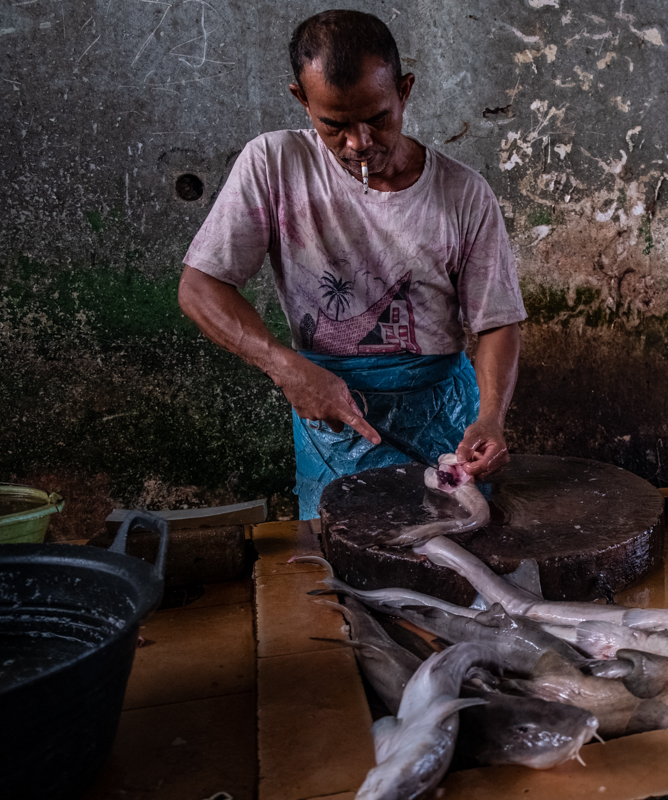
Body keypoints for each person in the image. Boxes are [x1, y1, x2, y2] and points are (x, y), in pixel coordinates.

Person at [178, 10, 525, 519]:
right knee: (346, 560)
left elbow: (497, 323)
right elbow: (199, 288)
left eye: (378, 118)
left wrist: (491, 417)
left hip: (444, 416)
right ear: (302, 99)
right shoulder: (273, 165)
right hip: (331, 415)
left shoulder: (463, 193)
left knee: (454, 558)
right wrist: (285, 368)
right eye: (334, 125)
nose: (359, 142)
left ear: (404, 91)